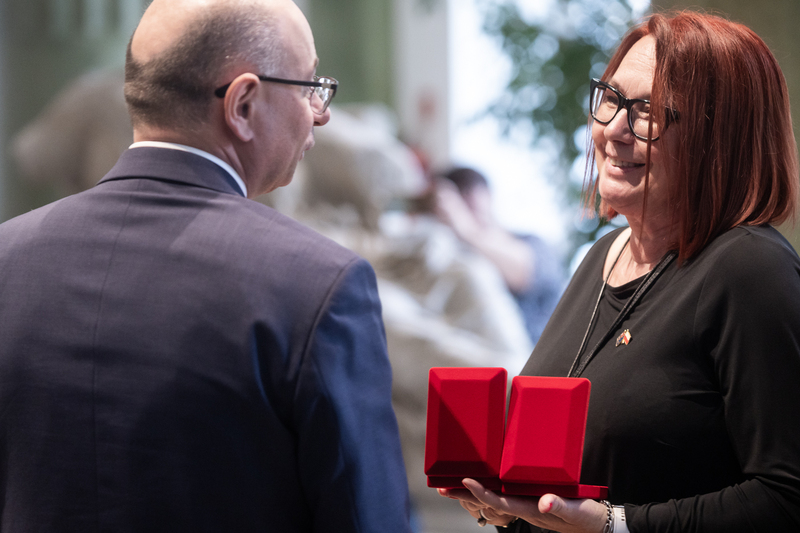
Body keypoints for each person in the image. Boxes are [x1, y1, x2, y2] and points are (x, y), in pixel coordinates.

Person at [0, 0, 411, 531]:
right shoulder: (318, 287)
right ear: (242, 104)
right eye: (309, 85)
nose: (321, 111)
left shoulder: (7, 259)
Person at [439, 11, 800, 532]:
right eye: (610, 99)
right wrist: (512, 508)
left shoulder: (749, 269)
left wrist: (616, 525)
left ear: (719, 136)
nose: (612, 130)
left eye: (647, 111)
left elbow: (786, 496)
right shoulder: (602, 256)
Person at [434, 167, 564, 344]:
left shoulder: (532, 243)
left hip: (536, 360)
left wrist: (466, 230)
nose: (463, 205)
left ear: (486, 194)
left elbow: (524, 271)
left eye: (467, 191)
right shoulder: (454, 253)